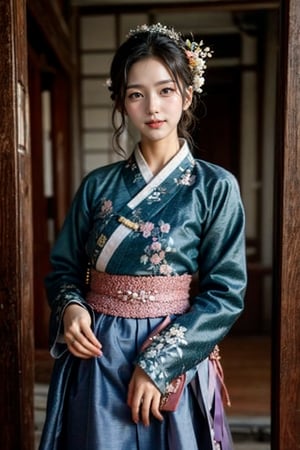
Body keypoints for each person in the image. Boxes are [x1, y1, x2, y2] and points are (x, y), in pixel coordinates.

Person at [39, 23, 247, 450]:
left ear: (188, 95)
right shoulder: (97, 186)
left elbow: (225, 293)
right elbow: (63, 269)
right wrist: (72, 310)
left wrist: (160, 363)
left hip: (175, 349)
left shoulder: (215, 186)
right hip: (99, 353)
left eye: (166, 90)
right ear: (121, 102)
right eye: (136, 94)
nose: (153, 106)